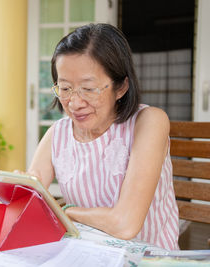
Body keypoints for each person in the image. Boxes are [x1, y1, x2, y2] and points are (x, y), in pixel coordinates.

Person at [27, 23, 179, 250]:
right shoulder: (57, 134)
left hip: (146, 258)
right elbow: (30, 195)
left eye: (88, 89)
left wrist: (65, 211)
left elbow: (125, 224)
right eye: (65, 88)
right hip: (86, 256)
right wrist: (19, 188)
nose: (75, 103)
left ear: (121, 87)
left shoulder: (149, 122)